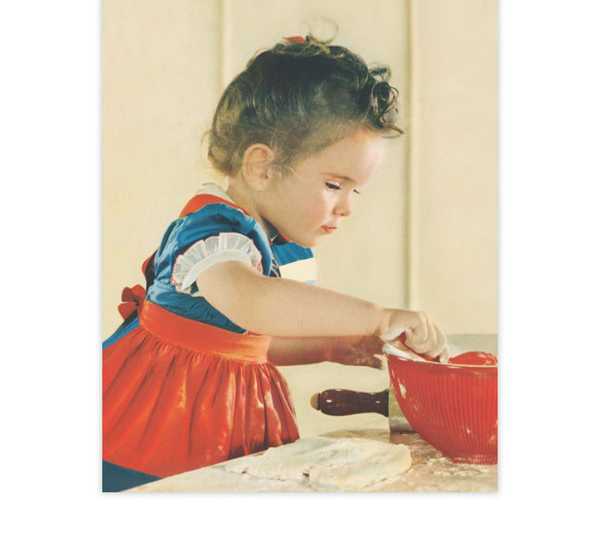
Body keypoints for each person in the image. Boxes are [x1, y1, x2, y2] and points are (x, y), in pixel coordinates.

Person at [102, 34, 449, 491]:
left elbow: (246, 340)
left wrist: (326, 347)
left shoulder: (277, 243)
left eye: (355, 190)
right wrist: (378, 316)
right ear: (262, 168)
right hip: (158, 422)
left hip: (224, 421)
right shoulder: (211, 233)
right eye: (333, 185)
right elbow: (252, 303)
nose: (346, 208)